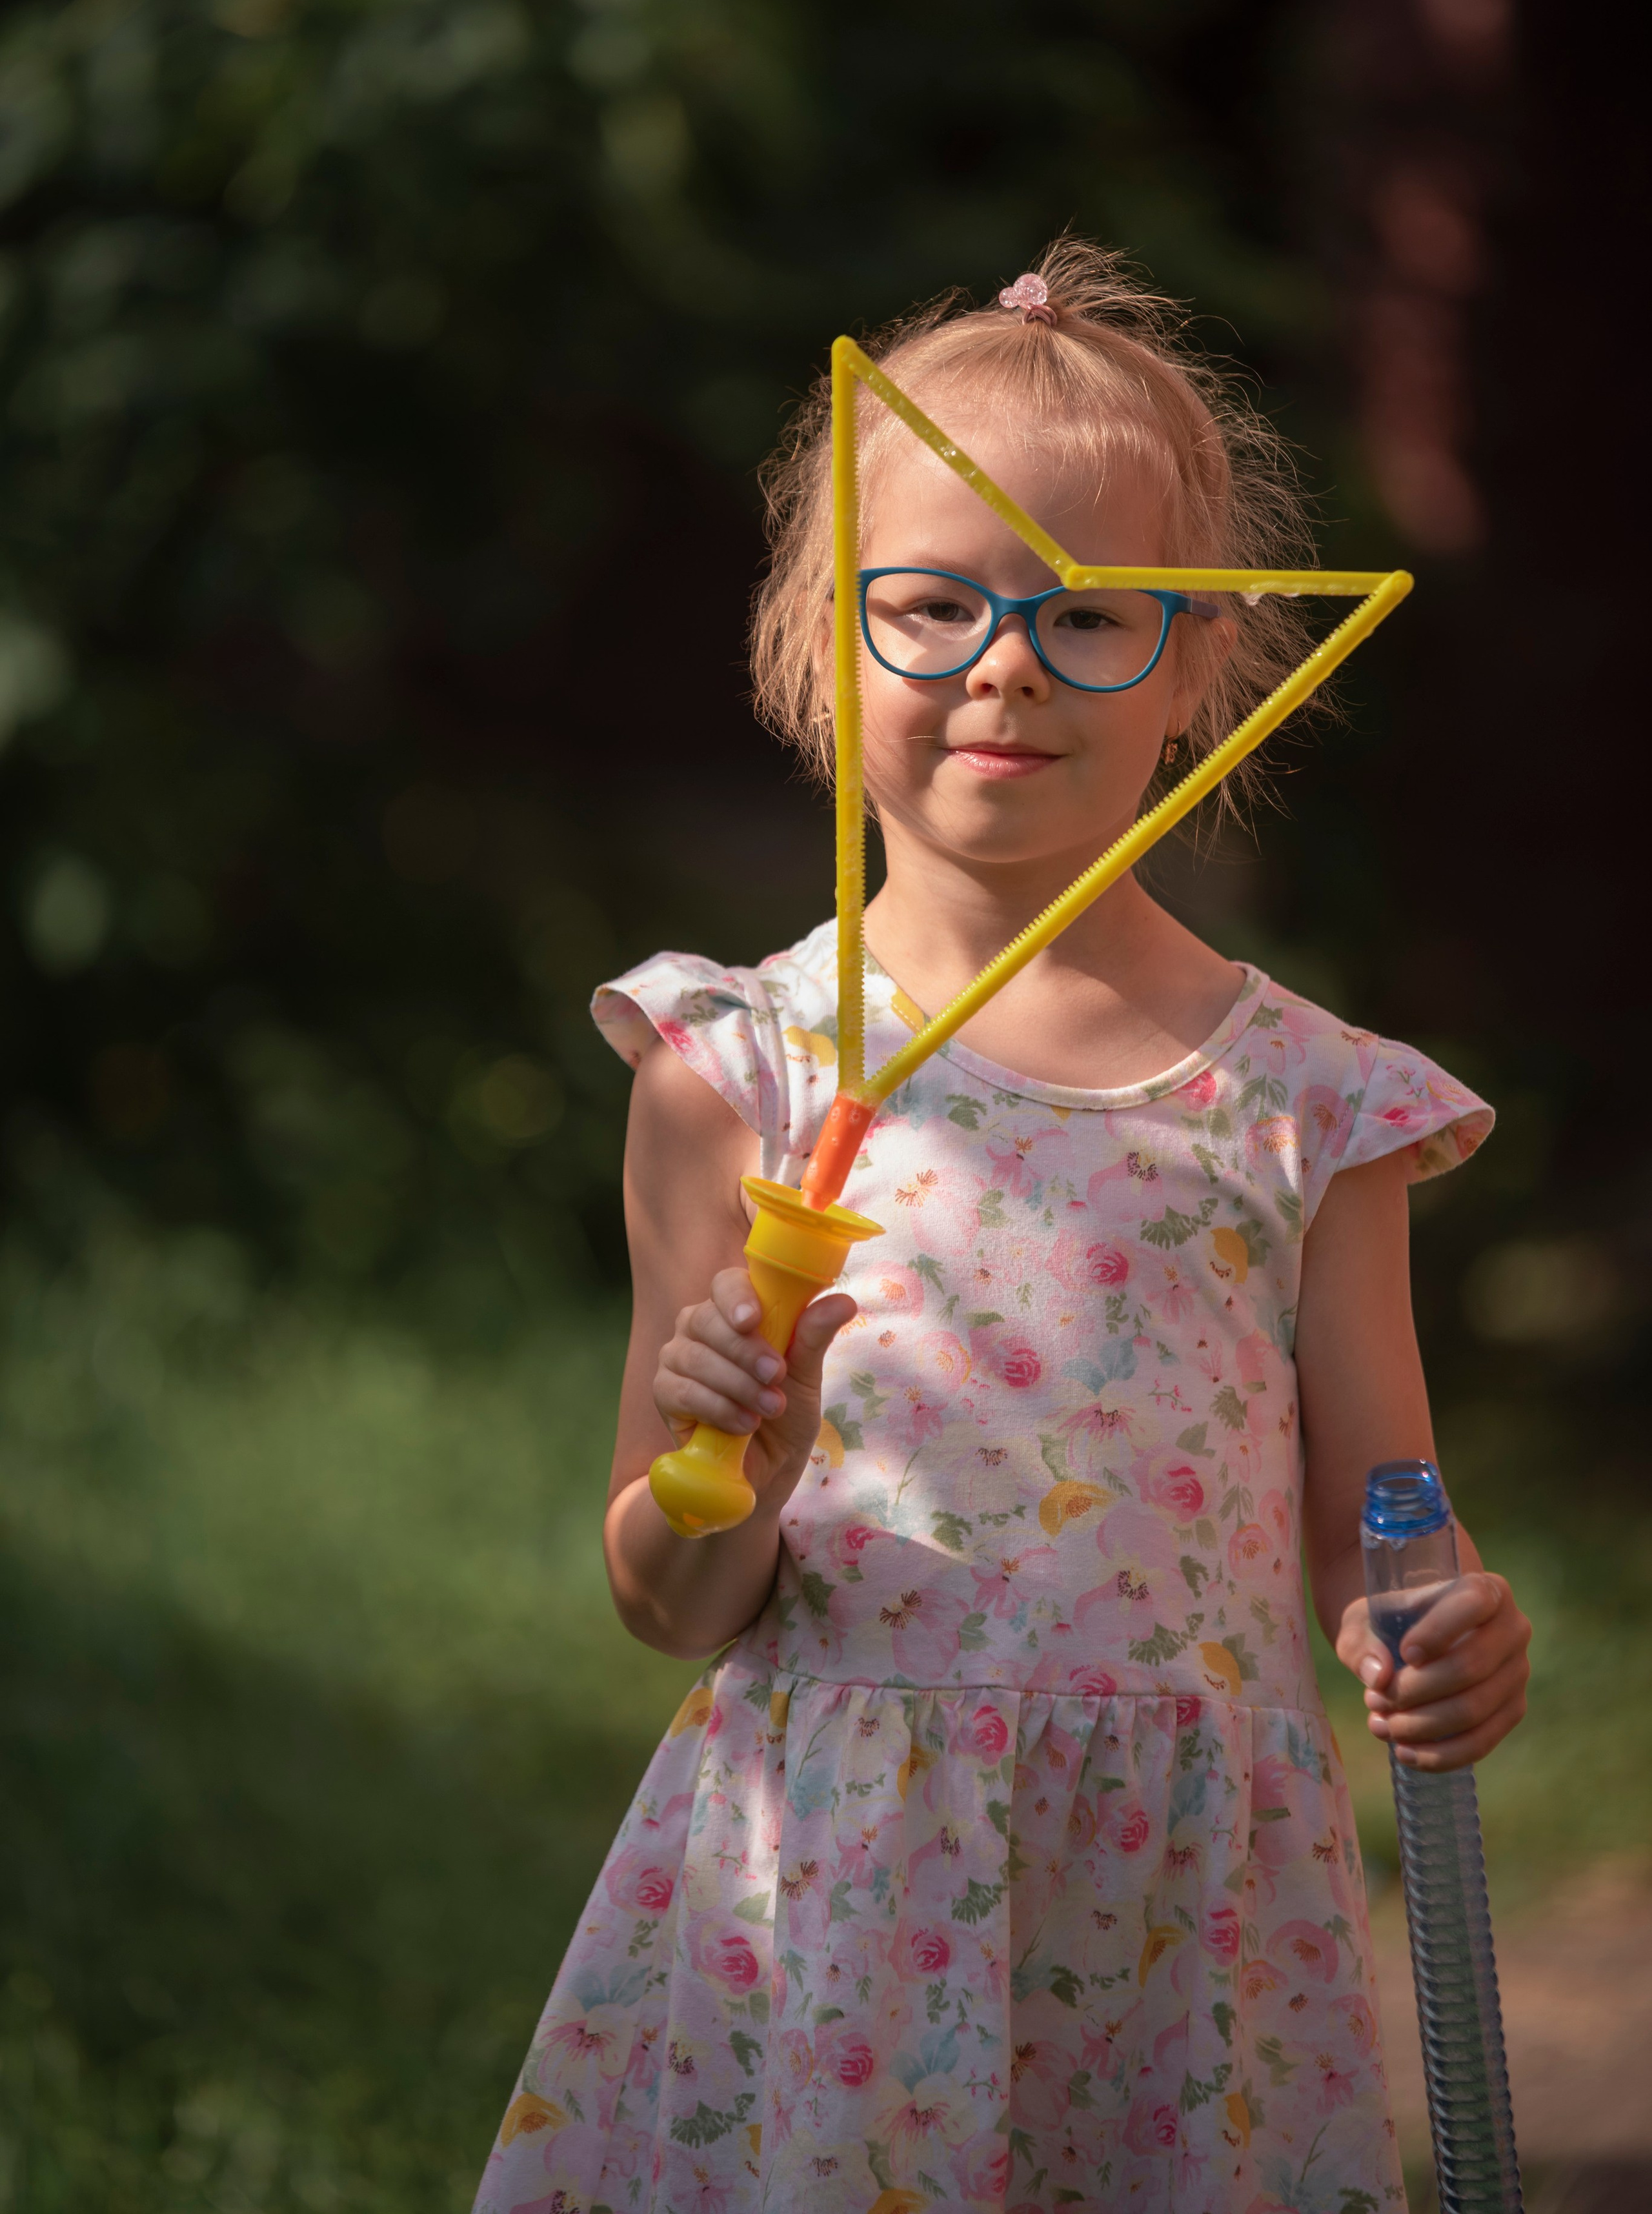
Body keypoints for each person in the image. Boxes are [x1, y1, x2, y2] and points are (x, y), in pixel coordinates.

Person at [472, 241, 1531, 2214]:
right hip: (842, 1909)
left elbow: (1381, 1525)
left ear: (1206, 663)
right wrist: (742, 1468)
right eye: (935, 602)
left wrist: (1438, 1626)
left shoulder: (1312, 1106)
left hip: (1185, 1919)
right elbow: (668, 1596)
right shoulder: (737, 1070)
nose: (1007, 662)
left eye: (1091, 612)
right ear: (821, 635)